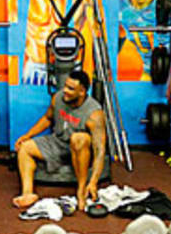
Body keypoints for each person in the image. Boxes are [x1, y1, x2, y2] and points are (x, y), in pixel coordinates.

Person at [12, 70, 107, 212]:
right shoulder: (58, 98)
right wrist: (28, 135)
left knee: (78, 138)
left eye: (71, 89)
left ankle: (81, 189)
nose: (65, 91)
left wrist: (93, 182)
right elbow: (47, 118)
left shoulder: (94, 113)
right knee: (25, 148)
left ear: (82, 92)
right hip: (59, 142)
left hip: (81, 149)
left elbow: (99, 151)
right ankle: (27, 193)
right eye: (65, 86)